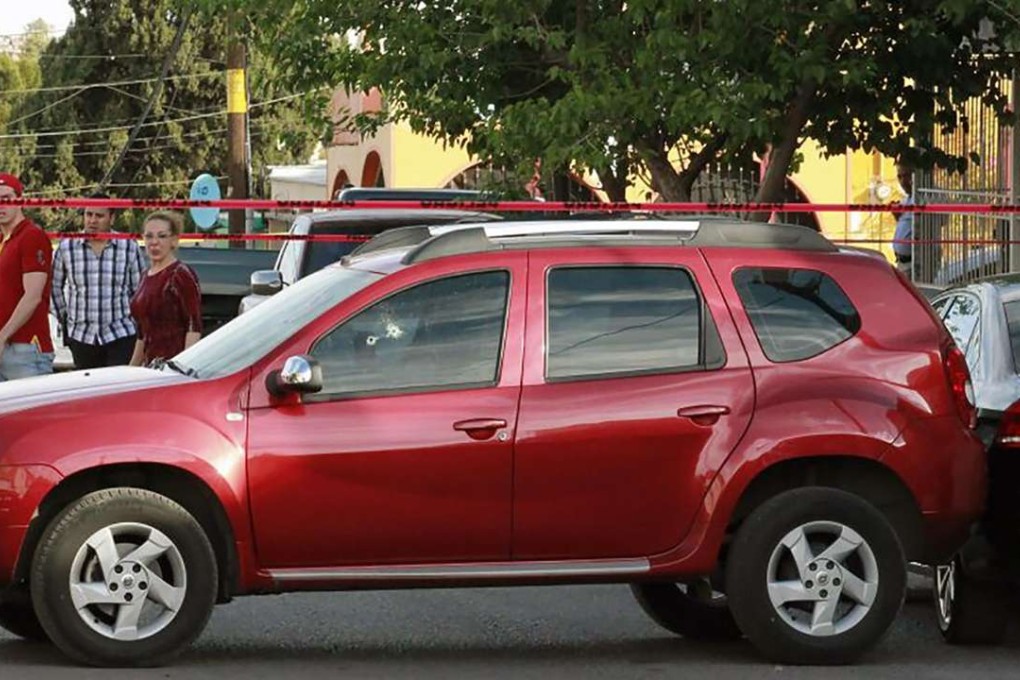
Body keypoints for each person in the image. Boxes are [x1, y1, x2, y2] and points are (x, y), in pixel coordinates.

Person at [51, 194, 146, 369]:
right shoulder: (67, 247)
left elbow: (139, 291)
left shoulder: (128, 246)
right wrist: (66, 319)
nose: (92, 220)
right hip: (81, 336)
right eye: (89, 214)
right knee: (89, 385)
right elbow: (53, 286)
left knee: (119, 384)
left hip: (121, 333)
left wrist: (136, 325)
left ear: (112, 218)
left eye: (99, 216)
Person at [129, 211, 202, 366]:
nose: (154, 242)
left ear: (174, 240)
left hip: (173, 365)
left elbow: (193, 326)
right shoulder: (144, 276)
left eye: (162, 236)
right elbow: (142, 334)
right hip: (150, 367)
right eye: (149, 236)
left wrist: (183, 368)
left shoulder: (180, 274)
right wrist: (131, 369)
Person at [0, 173, 54, 380]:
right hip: (7, 345)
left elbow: (33, 295)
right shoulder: (5, 240)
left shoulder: (31, 236)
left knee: (29, 402)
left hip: (25, 347)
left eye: (6, 199)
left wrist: (3, 335)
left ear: (20, 200)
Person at [891, 160, 915, 278]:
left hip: (915, 266)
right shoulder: (905, 201)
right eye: (899, 177)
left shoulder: (923, 199)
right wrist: (896, 216)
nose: (902, 181)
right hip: (902, 263)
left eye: (906, 175)